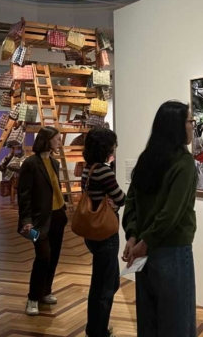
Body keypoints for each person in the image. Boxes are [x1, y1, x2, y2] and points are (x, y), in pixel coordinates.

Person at [122, 100, 198, 337]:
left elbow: (131, 202)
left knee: (149, 322)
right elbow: (171, 213)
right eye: (190, 121)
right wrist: (144, 241)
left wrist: (133, 236)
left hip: (143, 254)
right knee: (177, 323)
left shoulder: (146, 159)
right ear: (176, 126)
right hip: (172, 251)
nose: (192, 126)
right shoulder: (184, 162)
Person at [17, 126, 68, 316]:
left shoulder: (54, 162)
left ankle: (45, 291)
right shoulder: (30, 163)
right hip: (39, 220)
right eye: (57, 139)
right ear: (47, 140)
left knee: (53, 257)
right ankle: (32, 297)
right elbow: (24, 195)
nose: (59, 142)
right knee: (43, 257)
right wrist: (26, 220)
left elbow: (55, 188)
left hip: (57, 216)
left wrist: (62, 208)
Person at [82, 128, 126, 337]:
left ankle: (95, 327)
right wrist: (114, 202)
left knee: (104, 282)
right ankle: (97, 331)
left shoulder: (89, 169)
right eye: (113, 145)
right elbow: (121, 198)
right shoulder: (104, 171)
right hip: (106, 233)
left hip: (92, 232)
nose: (114, 148)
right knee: (106, 285)